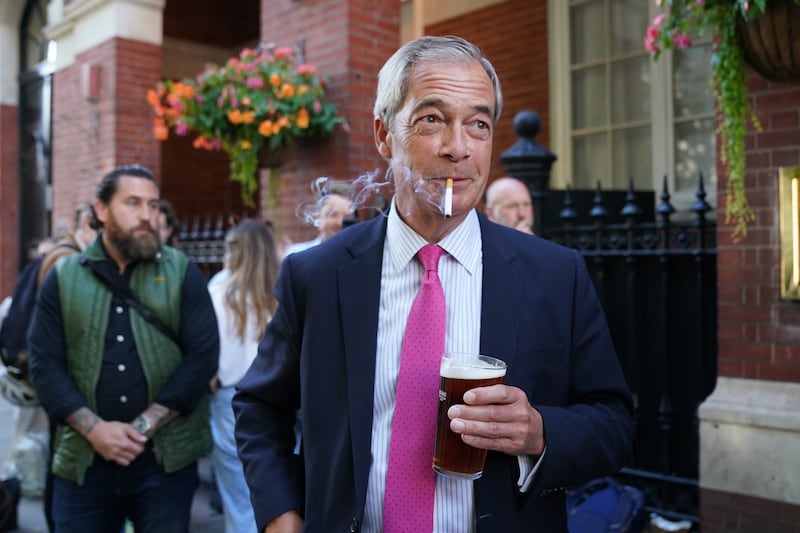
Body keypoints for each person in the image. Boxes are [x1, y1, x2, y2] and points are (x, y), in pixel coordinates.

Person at [233, 35, 634, 532]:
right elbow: (259, 407)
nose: (458, 148)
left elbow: (614, 424)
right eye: (432, 120)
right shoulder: (318, 274)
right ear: (384, 135)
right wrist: (281, 515)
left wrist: (538, 431)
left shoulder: (555, 275)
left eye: (478, 124)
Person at [27, 164, 219, 532]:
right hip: (83, 461)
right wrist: (96, 430)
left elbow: (202, 357)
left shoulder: (181, 271)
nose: (147, 216)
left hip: (164, 463)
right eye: (133, 203)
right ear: (101, 210)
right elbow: (44, 364)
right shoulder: (64, 277)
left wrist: (144, 426)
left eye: (152, 205)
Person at [208, 219, 280, 533]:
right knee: (279, 493)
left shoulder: (218, 294)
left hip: (231, 397)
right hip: (280, 398)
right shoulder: (284, 293)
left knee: (238, 495)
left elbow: (208, 355)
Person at [283, 192, 353, 255]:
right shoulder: (297, 254)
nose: (339, 222)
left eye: (347, 216)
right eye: (333, 215)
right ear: (318, 217)